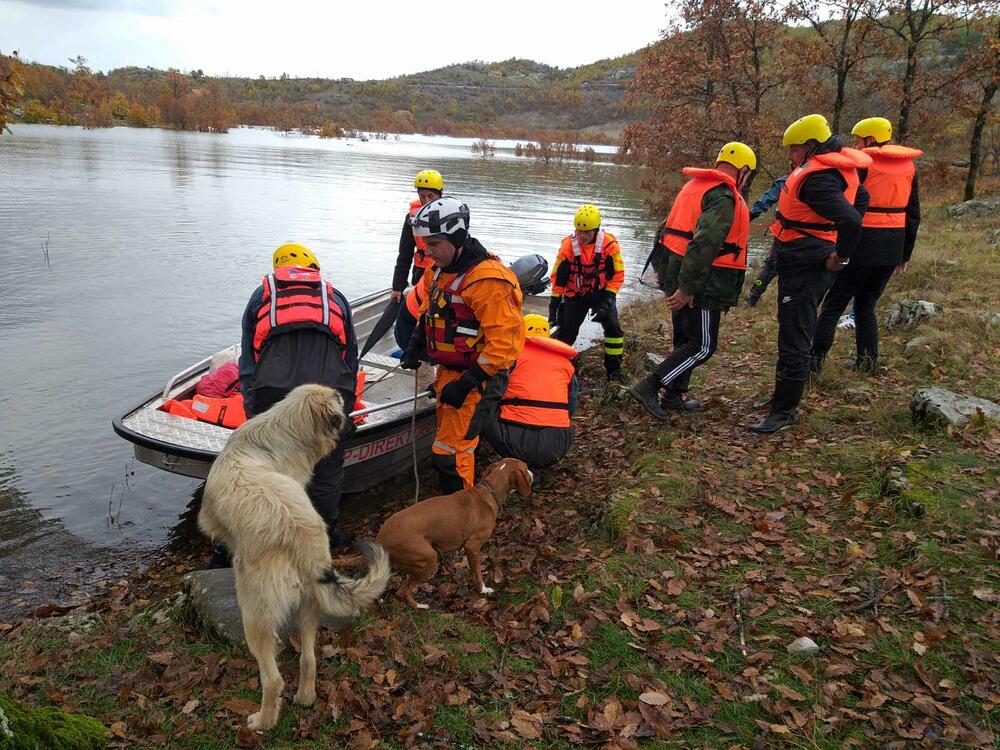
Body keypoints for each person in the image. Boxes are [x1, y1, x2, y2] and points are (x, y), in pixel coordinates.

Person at [751, 114, 871, 434]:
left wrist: (841, 258)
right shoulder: (830, 170)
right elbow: (862, 198)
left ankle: (785, 411)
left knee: (795, 338)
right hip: (801, 258)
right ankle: (780, 399)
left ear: (811, 146)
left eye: (794, 149)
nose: (790, 155)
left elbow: (852, 220)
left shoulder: (819, 180)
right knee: (790, 331)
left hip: (808, 264)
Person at [238, 242, 359, 546]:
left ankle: (263, 536)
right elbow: (350, 359)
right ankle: (325, 535)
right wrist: (347, 411)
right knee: (326, 467)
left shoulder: (261, 297)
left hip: (273, 391)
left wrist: (252, 411)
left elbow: (249, 362)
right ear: (313, 268)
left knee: (268, 467)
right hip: (326, 393)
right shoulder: (335, 297)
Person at [401, 196, 525, 493]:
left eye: (434, 244)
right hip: (450, 372)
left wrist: (467, 383)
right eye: (425, 244)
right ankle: (454, 506)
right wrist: (415, 345)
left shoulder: (488, 281)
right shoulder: (438, 269)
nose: (427, 251)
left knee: (452, 455)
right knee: (448, 448)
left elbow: (504, 344)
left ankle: (464, 512)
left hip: (480, 378)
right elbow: (428, 309)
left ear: (457, 238)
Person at [627, 142, 756, 420]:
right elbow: (703, 245)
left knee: (685, 339)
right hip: (702, 283)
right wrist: (687, 289)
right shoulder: (722, 196)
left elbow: (664, 230)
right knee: (702, 345)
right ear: (744, 171)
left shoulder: (694, 186)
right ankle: (650, 386)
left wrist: (664, 274)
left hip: (676, 271)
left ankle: (674, 395)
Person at [811, 116, 921, 374]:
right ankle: (868, 363)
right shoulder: (909, 167)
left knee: (833, 305)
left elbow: (846, 205)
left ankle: (813, 363)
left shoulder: (862, 165)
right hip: (892, 246)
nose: (856, 145)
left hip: (861, 243)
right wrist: (905, 254)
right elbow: (913, 214)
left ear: (871, 139)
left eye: (859, 140)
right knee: (866, 305)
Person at [483, 314, 578, 474]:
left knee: (483, 403)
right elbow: (572, 406)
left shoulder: (511, 356)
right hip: (558, 444)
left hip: (514, 441)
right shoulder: (566, 365)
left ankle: (509, 464)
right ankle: (533, 471)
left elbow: (491, 393)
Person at [548, 204, 626, 382]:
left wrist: (608, 300)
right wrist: (553, 308)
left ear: (596, 230)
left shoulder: (609, 244)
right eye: (579, 231)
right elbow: (557, 279)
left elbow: (618, 275)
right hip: (575, 295)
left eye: (587, 232)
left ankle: (613, 370)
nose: (582, 236)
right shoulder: (568, 246)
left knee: (613, 329)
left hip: (602, 293)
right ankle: (555, 366)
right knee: (566, 333)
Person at [391, 169, 444, 302]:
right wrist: (397, 287)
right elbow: (404, 255)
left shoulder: (452, 216)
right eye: (422, 196)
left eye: (431, 196)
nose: (427, 201)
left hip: (445, 273)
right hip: (421, 274)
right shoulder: (412, 218)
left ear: (440, 194)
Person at [744, 172, 788, 308]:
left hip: (784, 235)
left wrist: (747, 218)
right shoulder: (826, 181)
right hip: (812, 239)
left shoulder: (786, 181)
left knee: (770, 268)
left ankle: (752, 298)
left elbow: (765, 201)